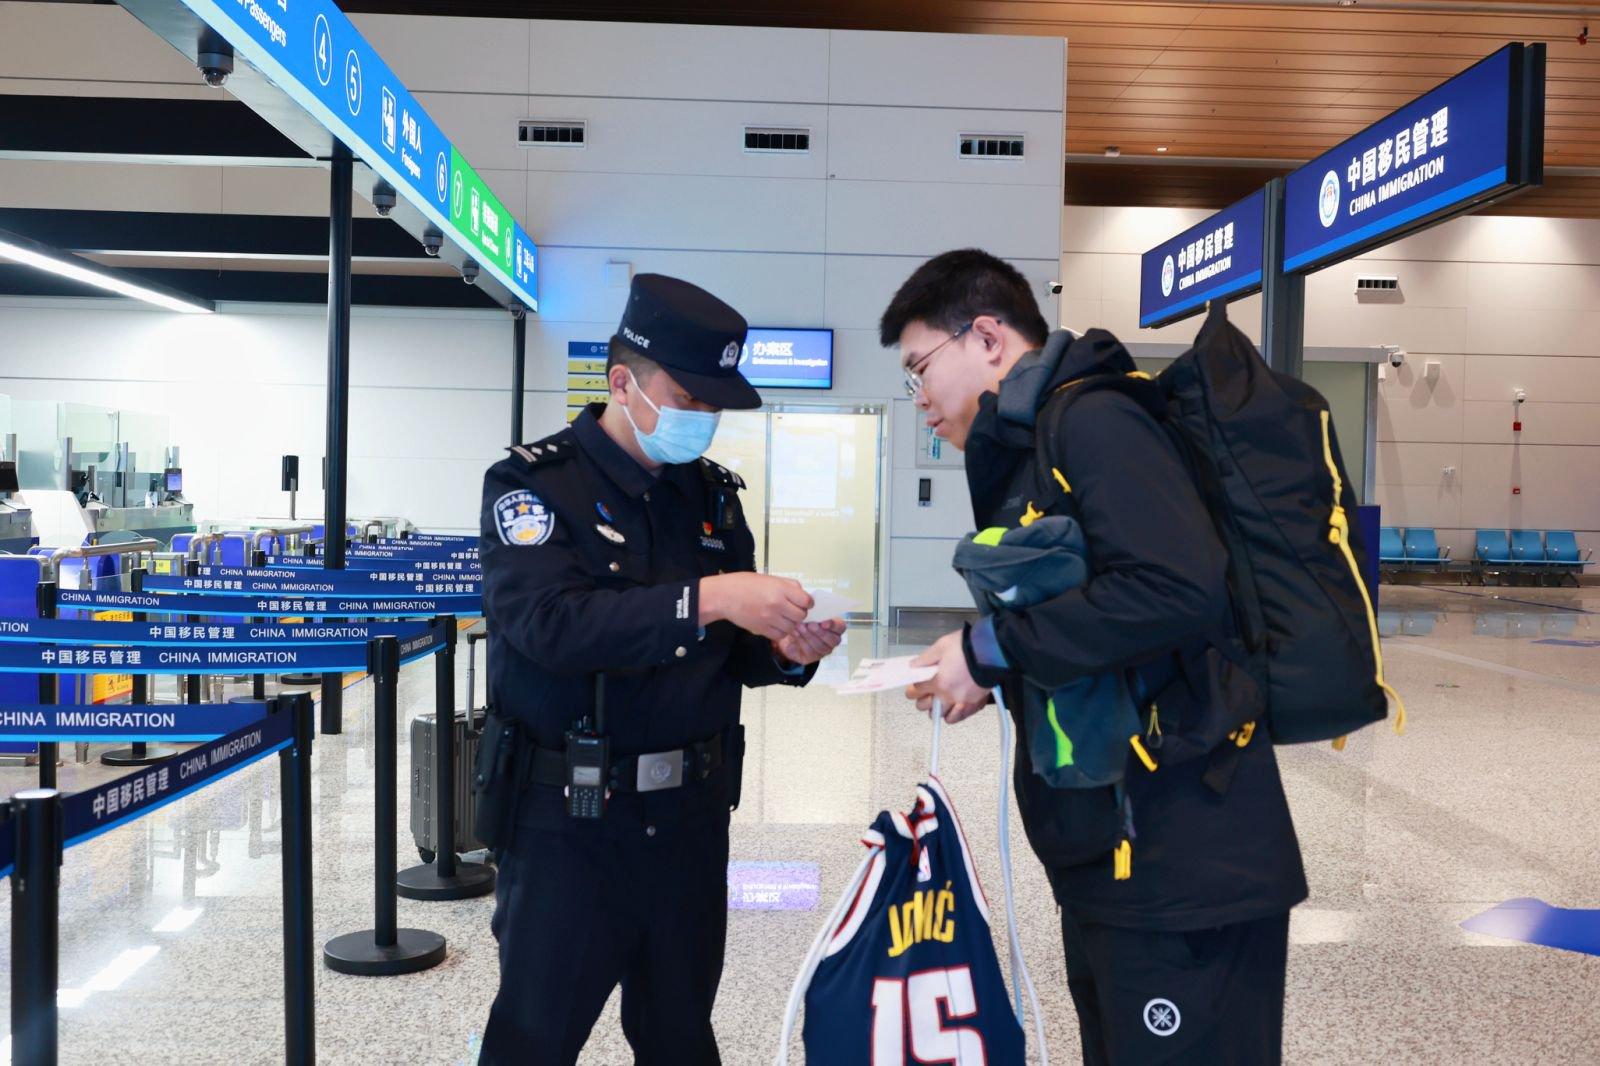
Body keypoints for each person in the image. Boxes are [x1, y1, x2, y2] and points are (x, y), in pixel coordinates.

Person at [882, 249, 1307, 1064]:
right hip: (1115, 855)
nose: (920, 399)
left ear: (989, 337)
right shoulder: (1030, 443)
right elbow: (1101, 622)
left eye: (920, 368)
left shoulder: (1093, 420)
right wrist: (994, 668)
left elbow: (1176, 585)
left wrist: (994, 648)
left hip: (1186, 862)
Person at [477, 273, 846, 1065]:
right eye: (689, 398)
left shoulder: (709, 499)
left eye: (714, 406)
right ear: (623, 382)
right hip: (567, 828)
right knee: (533, 1039)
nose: (703, 420)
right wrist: (708, 597)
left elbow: (733, 651)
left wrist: (785, 650)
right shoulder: (535, 487)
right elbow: (548, 624)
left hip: (687, 824)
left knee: (680, 1035)